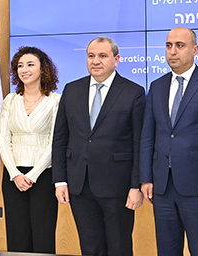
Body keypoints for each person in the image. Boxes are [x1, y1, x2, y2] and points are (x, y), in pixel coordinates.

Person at [52, 36, 145, 256]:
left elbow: (139, 143)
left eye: (102, 56)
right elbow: (60, 138)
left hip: (117, 186)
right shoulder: (72, 89)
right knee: (90, 247)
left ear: (116, 59)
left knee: (119, 247)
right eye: (91, 56)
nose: (96, 61)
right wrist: (60, 180)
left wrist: (136, 186)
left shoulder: (134, 92)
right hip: (79, 184)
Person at [140, 27, 198, 256]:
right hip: (162, 187)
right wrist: (146, 178)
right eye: (169, 46)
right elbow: (148, 136)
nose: (173, 51)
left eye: (180, 45)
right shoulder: (157, 86)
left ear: (195, 50)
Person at [0, 46, 60, 253]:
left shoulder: (55, 101)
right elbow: (3, 140)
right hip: (13, 177)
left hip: (44, 175)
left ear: (43, 69)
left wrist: (32, 175)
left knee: (43, 234)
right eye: (20, 66)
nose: (24, 70)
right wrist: (15, 174)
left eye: (30, 65)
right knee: (17, 234)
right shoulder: (10, 100)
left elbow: (55, 142)